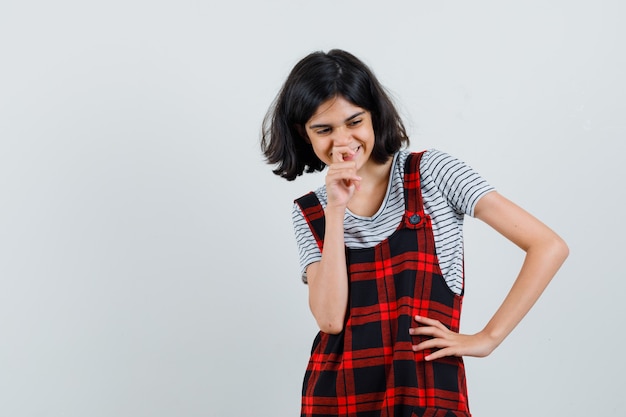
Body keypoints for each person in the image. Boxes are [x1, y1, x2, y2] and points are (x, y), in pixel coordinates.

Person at [260, 49, 568, 417]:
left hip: (426, 393)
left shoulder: (433, 173)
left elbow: (548, 245)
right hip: (339, 398)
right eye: (323, 130)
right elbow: (329, 320)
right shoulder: (311, 212)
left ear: (374, 114)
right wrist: (337, 210)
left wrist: (488, 338)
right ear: (303, 133)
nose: (342, 141)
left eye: (354, 121)